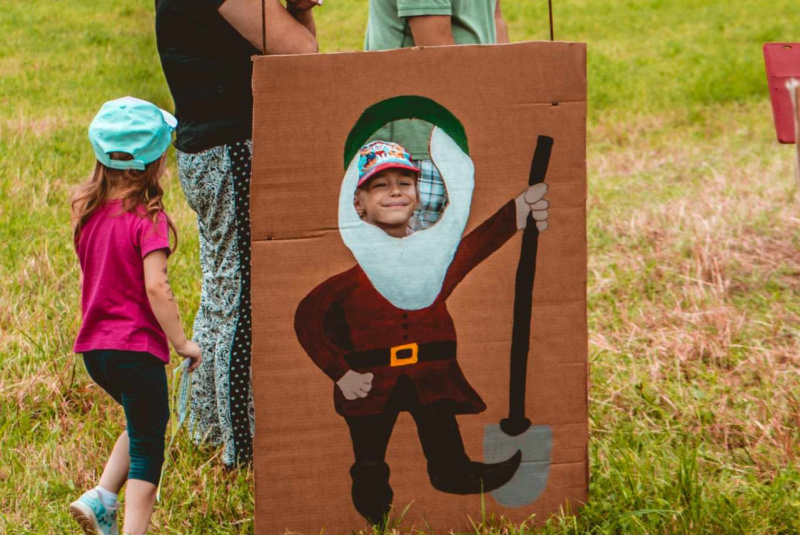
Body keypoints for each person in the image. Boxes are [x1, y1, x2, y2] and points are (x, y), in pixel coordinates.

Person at [294, 139, 549, 526]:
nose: (395, 190)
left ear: (416, 195)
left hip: (429, 377)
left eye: (405, 183)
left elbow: (471, 251)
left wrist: (518, 211)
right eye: (380, 185)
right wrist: (341, 372)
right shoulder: (348, 283)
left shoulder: (431, 266)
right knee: (369, 457)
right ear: (358, 202)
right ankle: (372, 501)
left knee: (441, 431)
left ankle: (452, 471)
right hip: (370, 382)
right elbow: (307, 320)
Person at [155, 0, 320, 467]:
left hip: (207, 149)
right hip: (229, 151)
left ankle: (204, 424)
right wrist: (300, 12)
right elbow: (302, 53)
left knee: (223, 292)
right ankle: (241, 451)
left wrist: (298, 8)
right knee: (241, 305)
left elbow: (293, 54)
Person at [68, 97, 202, 535]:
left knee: (142, 419)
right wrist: (182, 343)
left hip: (96, 352)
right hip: (135, 351)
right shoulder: (148, 218)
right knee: (149, 448)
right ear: (156, 161)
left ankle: (102, 498)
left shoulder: (88, 214)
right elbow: (156, 287)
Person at [365, 0, 509, 229]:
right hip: (418, 143)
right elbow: (438, 54)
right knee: (418, 257)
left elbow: (495, 20)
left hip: (464, 129)